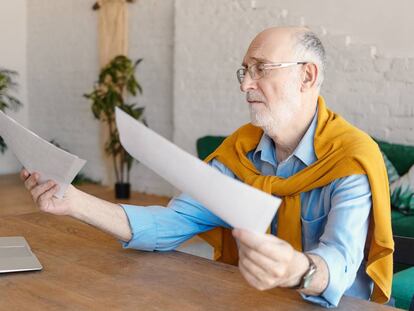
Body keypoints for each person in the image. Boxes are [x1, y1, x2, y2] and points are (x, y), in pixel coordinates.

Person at [20, 26, 393, 308]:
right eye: (244, 70)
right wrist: (73, 201)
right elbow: (171, 224)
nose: (246, 84)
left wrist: (299, 270)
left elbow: (341, 261)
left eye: (261, 68)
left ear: (307, 76)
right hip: (253, 301)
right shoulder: (239, 153)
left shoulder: (351, 157)